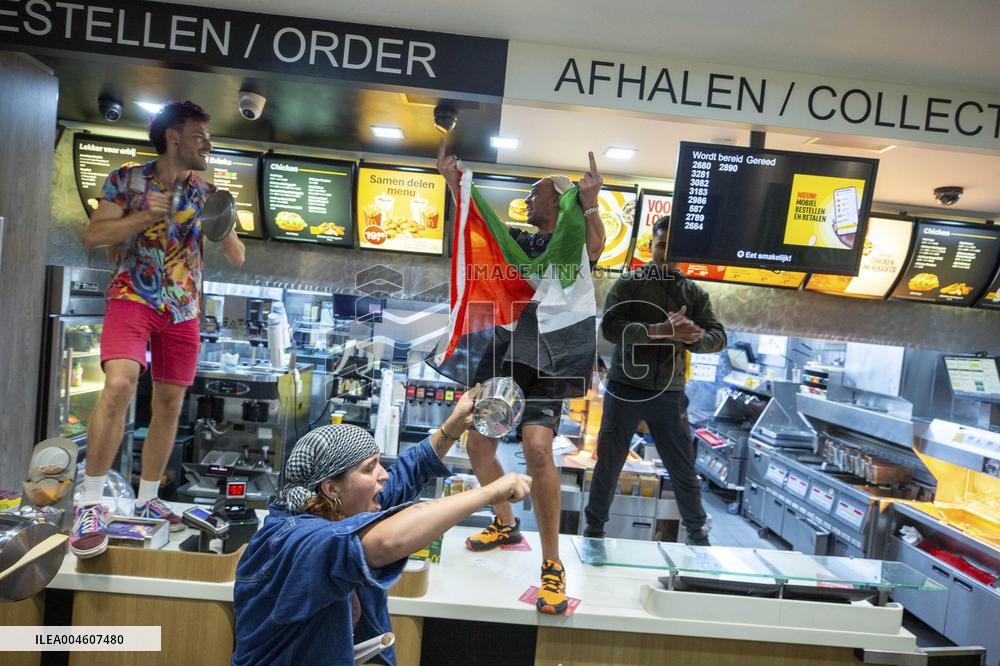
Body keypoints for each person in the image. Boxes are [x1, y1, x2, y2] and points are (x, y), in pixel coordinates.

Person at [231, 387, 531, 665]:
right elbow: (386, 543)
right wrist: (490, 492)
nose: (383, 475)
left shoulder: (339, 507)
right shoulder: (292, 540)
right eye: (369, 468)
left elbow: (408, 472)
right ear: (331, 488)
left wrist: (452, 426)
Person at [436, 141, 605, 614]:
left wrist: (588, 204)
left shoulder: (573, 243)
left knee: (536, 446)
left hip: (554, 355)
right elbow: (481, 229)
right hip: (507, 354)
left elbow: (596, 245)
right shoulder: (522, 242)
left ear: (559, 200)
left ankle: (552, 563)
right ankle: (506, 522)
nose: (527, 202)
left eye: (535, 194)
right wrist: (456, 187)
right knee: (478, 445)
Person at [71, 101, 246, 558]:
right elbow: (94, 236)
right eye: (200, 136)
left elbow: (237, 256)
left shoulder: (207, 189)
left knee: (170, 403)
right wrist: (145, 216)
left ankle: (148, 500)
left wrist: (222, 221)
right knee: (120, 384)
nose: (207, 144)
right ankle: (89, 503)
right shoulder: (127, 180)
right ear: (174, 137)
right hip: (134, 294)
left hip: (183, 307)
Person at [583, 215, 726, 546]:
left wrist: (694, 336)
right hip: (625, 389)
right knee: (609, 464)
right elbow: (610, 329)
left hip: (670, 393)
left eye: (675, 247)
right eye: (662, 245)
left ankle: (697, 533)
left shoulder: (694, 293)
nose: (668, 253)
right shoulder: (629, 284)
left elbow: (718, 337)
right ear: (652, 245)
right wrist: (659, 331)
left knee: (683, 469)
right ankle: (593, 530)